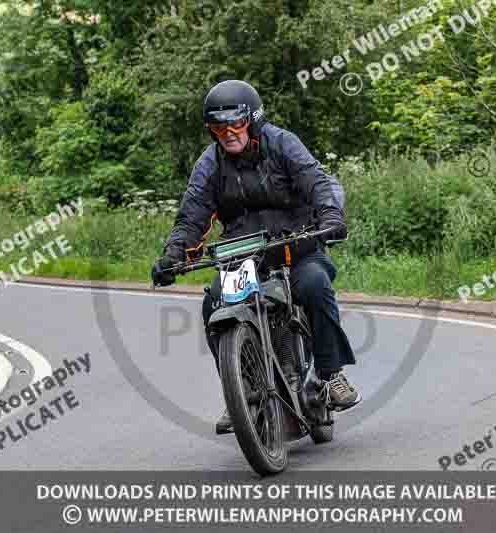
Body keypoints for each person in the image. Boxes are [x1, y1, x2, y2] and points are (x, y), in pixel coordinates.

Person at [151, 80, 361, 435]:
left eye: (235, 124)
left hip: (298, 245)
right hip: (243, 255)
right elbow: (192, 215)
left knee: (313, 284)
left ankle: (330, 374)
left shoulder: (283, 144)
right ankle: (242, 393)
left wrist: (330, 217)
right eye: (218, 127)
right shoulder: (210, 164)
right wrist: (173, 255)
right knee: (214, 302)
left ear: (253, 120)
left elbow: (315, 181)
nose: (228, 134)